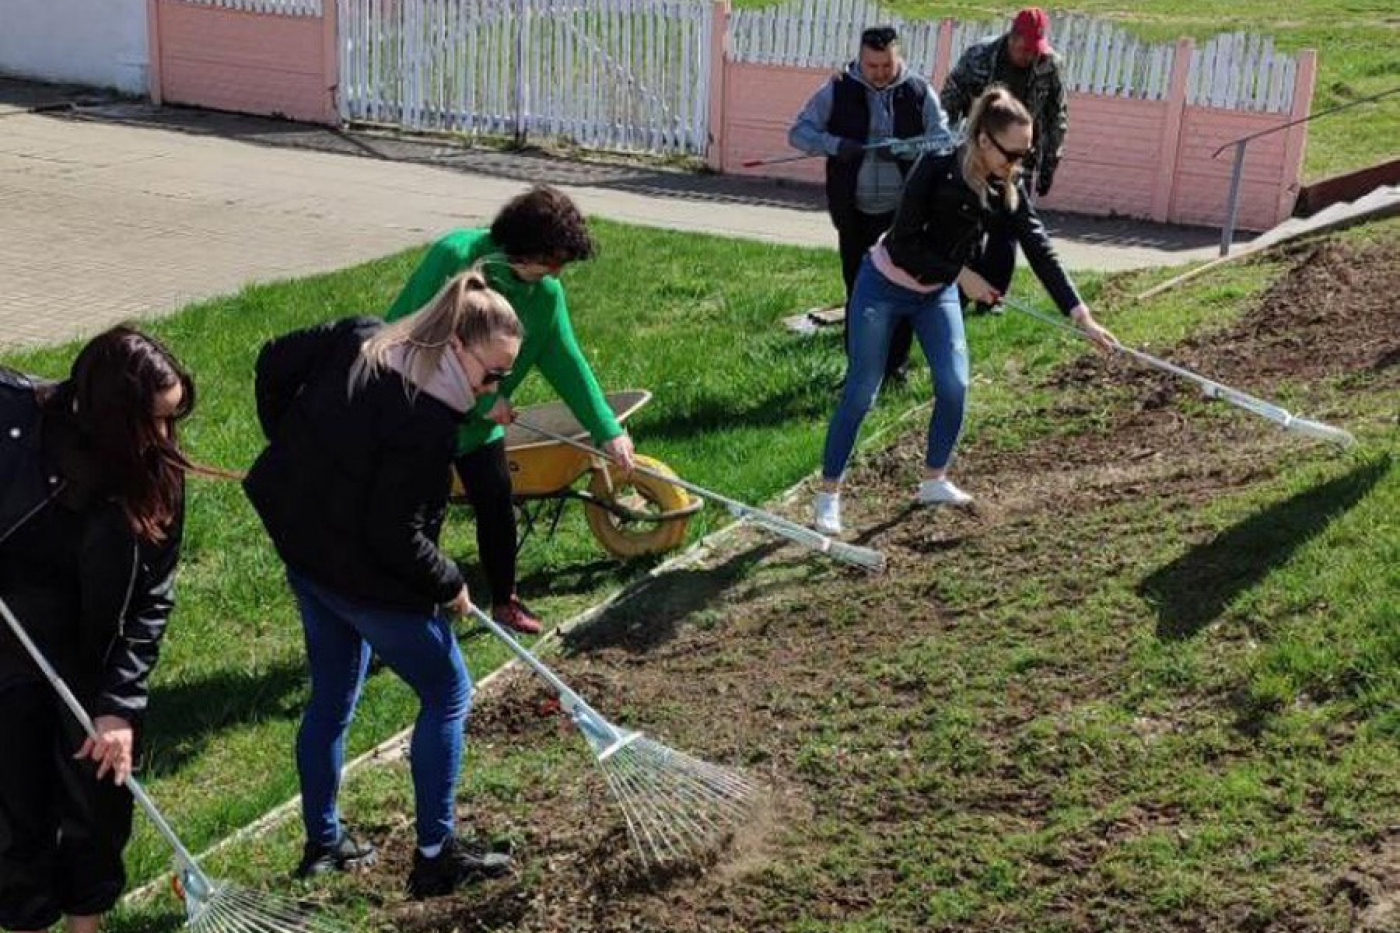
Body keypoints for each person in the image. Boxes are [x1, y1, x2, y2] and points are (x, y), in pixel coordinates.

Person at [243, 271, 522, 898]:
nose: (493, 387)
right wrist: (450, 583)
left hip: (307, 550)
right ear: (456, 347)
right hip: (358, 573)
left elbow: (272, 361)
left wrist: (293, 448)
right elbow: (394, 535)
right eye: (493, 373)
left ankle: (323, 843)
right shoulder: (425, 423)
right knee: (449, 690)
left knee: (333, 697)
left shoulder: (362, 338)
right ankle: (435, 856)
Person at [812, 87, 1115, 535]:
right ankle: (828, 496)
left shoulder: (1004, 187)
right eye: (1011, 153)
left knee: (955, 385)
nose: (1018, 165)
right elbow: (904, 243)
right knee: (862, 391)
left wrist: (1080, 314)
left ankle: (934, 480)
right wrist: (963, 276)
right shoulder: (935, 168)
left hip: (937, 292)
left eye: (1025, 154)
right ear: (984, 140)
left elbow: (1039, 247)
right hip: (884, 286)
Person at [0, 327, 195, 933]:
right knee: (13, 800)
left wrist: (120, 705)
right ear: (110, 414)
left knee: (99, 799)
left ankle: (87, 924)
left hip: (94, 649)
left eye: (173, 419)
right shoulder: (15, 426)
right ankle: (24, 919)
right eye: (155, 421)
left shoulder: (156, 470)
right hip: (9, 644)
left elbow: (152, 597)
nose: (167, 438)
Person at [385, 185, 635, 637]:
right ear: (521, 246)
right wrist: (483, 399)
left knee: (498, 506)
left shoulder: (545, 295)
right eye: (552, 259)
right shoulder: (454, 258)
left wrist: (606, 428)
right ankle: (417, 611)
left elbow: (566, 360)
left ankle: (505, 599)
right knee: (425, 515)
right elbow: (413, 341)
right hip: (422, 417)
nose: (559, 271)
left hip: (481, 429)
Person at [789, 24, 950, 382]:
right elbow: (798, 133)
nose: (879, 73)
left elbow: (943, 139)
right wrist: (836, 145)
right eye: (872, 65)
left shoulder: (919, 91)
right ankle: (861, 370)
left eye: (886, 65)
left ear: (899, 57)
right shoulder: (837, 89)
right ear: (861, 59)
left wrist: (908, 148)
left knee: (905, 289)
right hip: (854, 213)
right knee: (859, 291)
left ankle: (896, 368)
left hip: (903, 216)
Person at [941, 7, 1069, 314]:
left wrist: (1050, 161)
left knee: (1008, 227)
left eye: (1035, 50)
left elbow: (1057, 114)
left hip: (1016, 159)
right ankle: (961, 290)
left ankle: (993, 296)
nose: (1030, 56)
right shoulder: (979, 56)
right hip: (977, 153)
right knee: (969, 224)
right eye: (1025, 49)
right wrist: (952, 145)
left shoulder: (1050, 65)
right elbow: (950, 99)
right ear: (1011, 38)